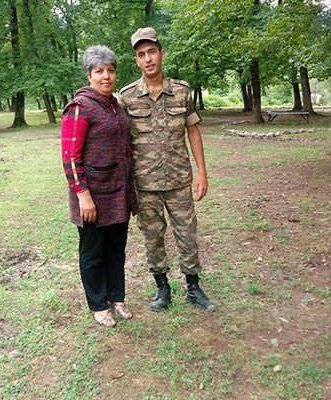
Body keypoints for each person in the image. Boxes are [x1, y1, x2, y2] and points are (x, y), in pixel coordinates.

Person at [119, 27, 215, 312]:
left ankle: (193, 288)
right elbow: (120, 139)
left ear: (162, 54)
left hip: (178, 180)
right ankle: (162, 288)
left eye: (152, 52)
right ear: (136, 60)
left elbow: (193, 131)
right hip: (144, 184)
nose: (148, 59)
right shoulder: (127, 97)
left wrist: (202, 172)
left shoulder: (182, 92)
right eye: (141, 54)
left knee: (187, 234)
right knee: (153, 238)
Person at [61, 45, 139, 327]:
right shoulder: (80, 107)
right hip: (93, 195)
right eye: (99, 71)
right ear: (89, 75)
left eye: (111, 70)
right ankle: (98, 303)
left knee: (116, 248)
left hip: (118, 192)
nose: (106, 76)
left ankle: (116, 297)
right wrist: (83, 195)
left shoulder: (114, 105)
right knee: (93, 252)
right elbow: (70, 156)